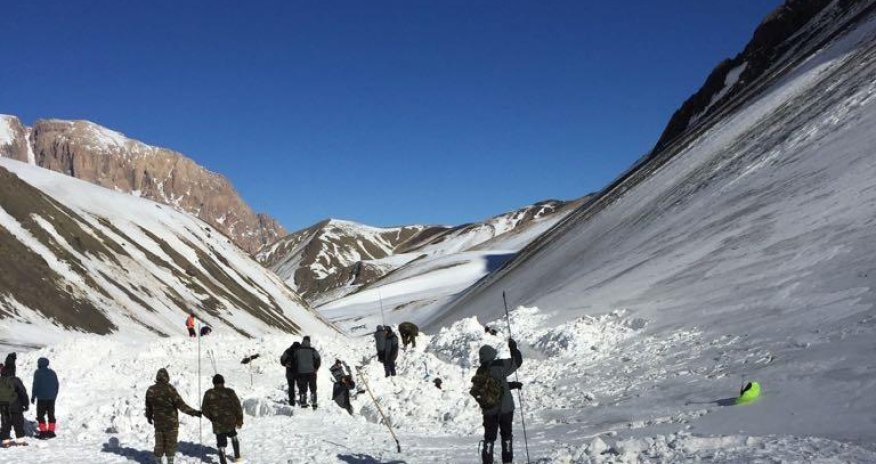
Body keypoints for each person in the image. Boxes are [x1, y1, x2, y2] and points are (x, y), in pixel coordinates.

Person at [476, 339, 523, 464]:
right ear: (491, 355)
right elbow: (517, 362)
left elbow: (495, 385)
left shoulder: (480, 372)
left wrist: (512, 384)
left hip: (489, 411)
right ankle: (507, 461)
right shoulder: (499, 365)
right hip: (505, 408)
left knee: (489, 439)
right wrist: (513, 348)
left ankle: (487, 461)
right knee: (506, 436)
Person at [145, 368, 201, 464]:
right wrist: (194, 412)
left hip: (159, 424)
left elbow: (148, 406)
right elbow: (181, 405)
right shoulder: (170, 389)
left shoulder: (151, 390)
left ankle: (158, 461)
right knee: (170, 446)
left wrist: (149, 417)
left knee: (159, 445)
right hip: (171, 424)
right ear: (167, 377)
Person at [201, 374, 243, 464]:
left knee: (221, 444)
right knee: (234, 436)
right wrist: (239, 420)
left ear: (213, 383)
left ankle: (223, 462)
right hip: (230, 422)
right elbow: (238, 407)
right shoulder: (230, 392)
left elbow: (204, 409)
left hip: (217, 424)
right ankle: (237, 457)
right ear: (223, 382)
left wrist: (212, 417)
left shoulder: (208, 393)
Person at [31, 357, 59, 439]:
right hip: (51, 398)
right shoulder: (52, 372)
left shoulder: (38, 372)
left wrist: (33, 396)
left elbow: (35, 385)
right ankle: (51, 432)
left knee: (40, 415)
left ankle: (43, 432)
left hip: (42, 398)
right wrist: (54, 395)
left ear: (39, 364)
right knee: (51, 414)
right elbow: (57, 385)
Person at [0, 364, 28, 445]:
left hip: (3, 406)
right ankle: (20, 441)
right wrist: (26, 404)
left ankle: (5, 441)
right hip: (16, 405)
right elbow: (23, 392)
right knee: (18, 422)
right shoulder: (15, 380)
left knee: (5, 423)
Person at [294, 336, 321, 409]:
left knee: (303, 389)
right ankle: (314, 403)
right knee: (313, 388)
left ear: (303, 341)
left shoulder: (297, 350)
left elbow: (294, 361)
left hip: (301, 373)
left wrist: (297, 370)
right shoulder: (313, 350)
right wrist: (316, 368)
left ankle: (303, 403)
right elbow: (318, 359)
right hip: (312, 372)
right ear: (309, 342)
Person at [280, 341, 301, 406]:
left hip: (290, 373)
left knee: (291, 388)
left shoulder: (288, 351)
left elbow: (282, 360)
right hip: (298, 373)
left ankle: (292, 402)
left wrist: (286, 364)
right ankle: (302, 401)